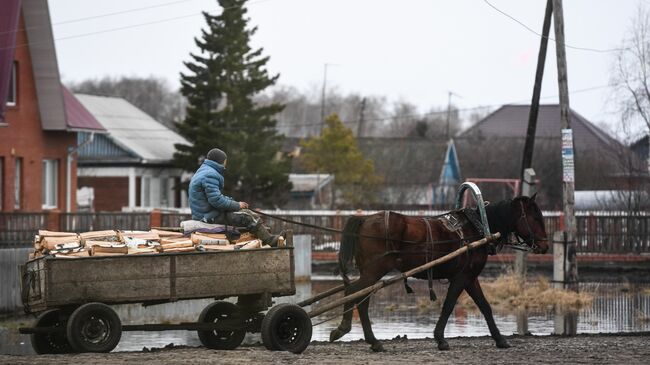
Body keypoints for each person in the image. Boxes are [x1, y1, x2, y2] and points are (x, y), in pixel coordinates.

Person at [188, 148, 281, 246]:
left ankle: (261, 239)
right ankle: (271, 241)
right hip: (210, 217)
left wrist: (235, 203)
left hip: (206, 214)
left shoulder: (203, 171)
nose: (225, 164)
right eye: (225, 161)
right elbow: (217, 200)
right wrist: (237, 205)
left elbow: (216, 197)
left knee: (245, 214)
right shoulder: (210, 175)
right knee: (248, 216)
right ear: (220, 161)